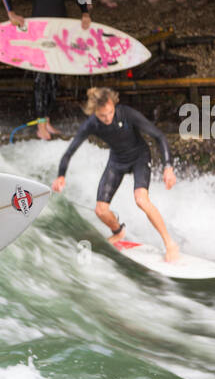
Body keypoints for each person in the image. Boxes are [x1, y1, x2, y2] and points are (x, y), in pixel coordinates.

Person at [52, 86, 180, 262]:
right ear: (94, 111)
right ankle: (119, 232)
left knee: (141, 200)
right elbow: (70, 151)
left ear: (113, 105)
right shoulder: (92, 124)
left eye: (110, 113)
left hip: (139, 157)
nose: (107, 118)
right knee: (101, 210)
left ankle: (170, 244)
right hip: (117, 161)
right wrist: (61, 175)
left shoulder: (127, 114)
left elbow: (159, 136)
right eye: (102, 115)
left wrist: (168, 167)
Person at [3, 0, 91, 141]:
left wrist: (85, 13)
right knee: (41, 77)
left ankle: (47, 119)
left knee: (54, 76)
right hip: (39, 28)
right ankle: (40, 124)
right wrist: (11, 13)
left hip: (59, 27)